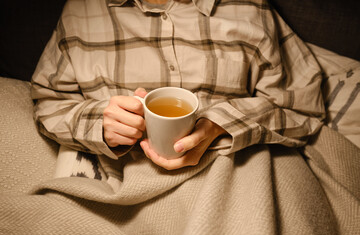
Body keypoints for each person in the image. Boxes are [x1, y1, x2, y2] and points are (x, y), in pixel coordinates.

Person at [31, 0, 324, 175]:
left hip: (236, 170)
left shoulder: (251, 8)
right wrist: (99, 124)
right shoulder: (81, 12)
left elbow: (301, 104)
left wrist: (218, 125)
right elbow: (47, 101)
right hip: (125, 183)